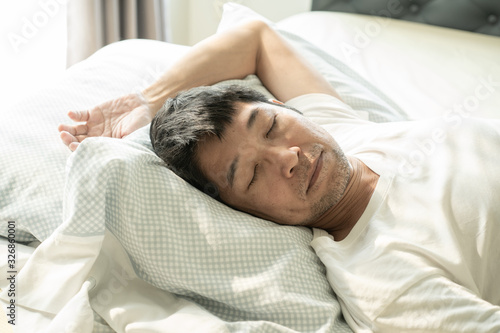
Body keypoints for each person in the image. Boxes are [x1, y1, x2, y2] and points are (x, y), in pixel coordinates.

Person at [59, 20, 500, 332]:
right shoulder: (384, 281)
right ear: (242, 211)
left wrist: (147, 100)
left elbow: (255, 38)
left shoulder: (344, 133)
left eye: (270, 127)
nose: (288, 157)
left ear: (286, 109)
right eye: (251, 174)